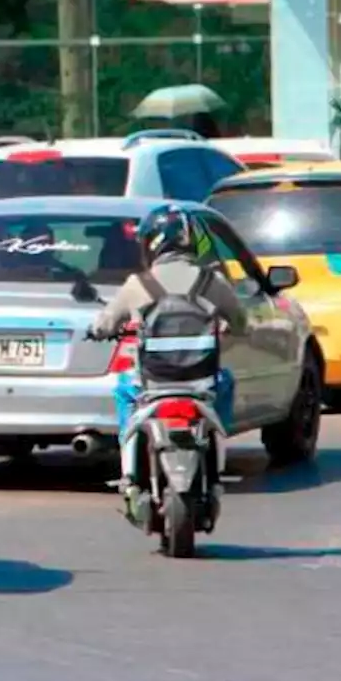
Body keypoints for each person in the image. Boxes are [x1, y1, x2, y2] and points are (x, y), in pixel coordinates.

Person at [87, 204, 247, 518]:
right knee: (226, 381)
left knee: (123, 388)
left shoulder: (140, 285)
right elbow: (241, 323)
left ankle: (129, 475)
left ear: (152, 243)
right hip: (203, 383)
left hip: (154, 383)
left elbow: (105, 324)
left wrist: (98, 330)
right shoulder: (211, 282)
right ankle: (217, 446)